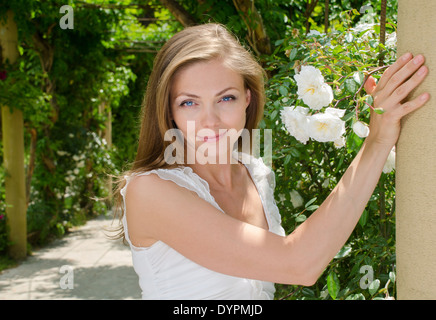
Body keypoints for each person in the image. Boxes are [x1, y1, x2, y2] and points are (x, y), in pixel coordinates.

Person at [113, 23, 429, 300]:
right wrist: (376, 142)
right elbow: (299, 264)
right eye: (189, 102)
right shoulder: (150, 192)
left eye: (225, 98)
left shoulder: (255, 173)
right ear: (169, 110)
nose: (210, 121)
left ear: (247, 99)